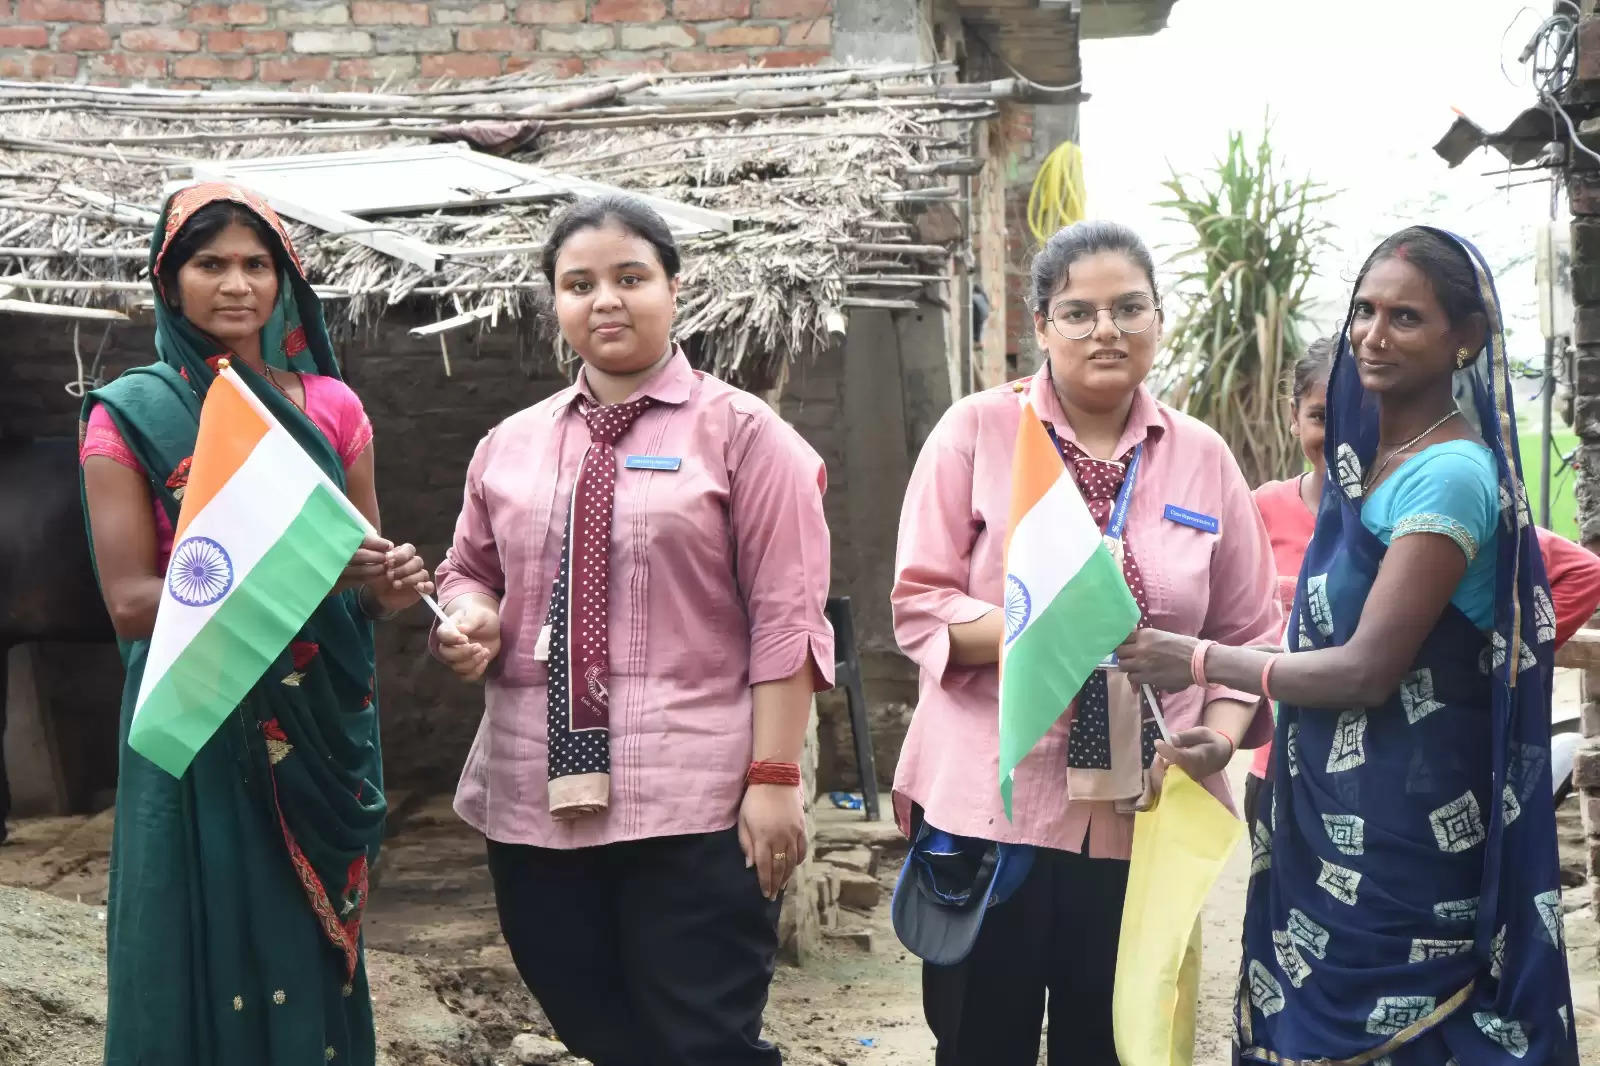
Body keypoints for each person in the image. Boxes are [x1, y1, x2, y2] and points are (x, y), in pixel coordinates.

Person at [1119, 226, 1579, 1064]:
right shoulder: (1364, 466)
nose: (1371, 334)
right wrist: (1227, 733)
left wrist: (1193, 658)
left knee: (1403, 1031)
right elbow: (1311, 645)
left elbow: (1368, 671)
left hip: (1411, 838)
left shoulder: (1449, 475)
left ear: (1466, 338)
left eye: (1406, 317)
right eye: (1364, 310)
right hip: (1329, 818)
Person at [429, 194, 834, 1066]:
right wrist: (470, 617)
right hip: (536, 795)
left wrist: (774, 777)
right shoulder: (509, 444)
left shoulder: (747, 436)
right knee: (593, 1024)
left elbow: (788, 619)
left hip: (696, 796)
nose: (604, 299)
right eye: (579, 284)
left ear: (674, 289)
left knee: (701, 1036)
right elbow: (471, 572)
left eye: (629, 277)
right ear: (556, 305)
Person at [889, 219, 1282, 1065]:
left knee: (1108, 1043)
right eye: (1079, 312)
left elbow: (1249, 629)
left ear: (1160, 320)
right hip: (994, 805)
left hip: (1143, 811)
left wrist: (1216, 730)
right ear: (1042, 326)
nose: (1107, 330)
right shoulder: (978, 433)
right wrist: (1048, 630)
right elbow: (920, 605)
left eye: (1129, 308)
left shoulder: (1204, 458)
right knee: (977, 1038)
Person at [79, 183, 433, 1066]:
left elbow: (360, 580)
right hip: (197, 717)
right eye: (210, 264)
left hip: (315, 719)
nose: (235, 286)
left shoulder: (333, 409)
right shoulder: (132, 414)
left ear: (285, 282)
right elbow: (129, 599)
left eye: (256, 265)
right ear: (170, 280)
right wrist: (299, 573)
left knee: (304, 947)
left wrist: (392, 581)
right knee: (193, 930)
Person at [1247, 343, 1600, 827]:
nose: (1342, 435)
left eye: (1364, 415)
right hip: (1284, 755)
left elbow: (1580, 573)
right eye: (1321, 417)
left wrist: (1488, 654)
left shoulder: (1421, 504)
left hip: (1400, 760)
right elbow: (1234, 612)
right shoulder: (1263, 508)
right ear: (1294, 418)